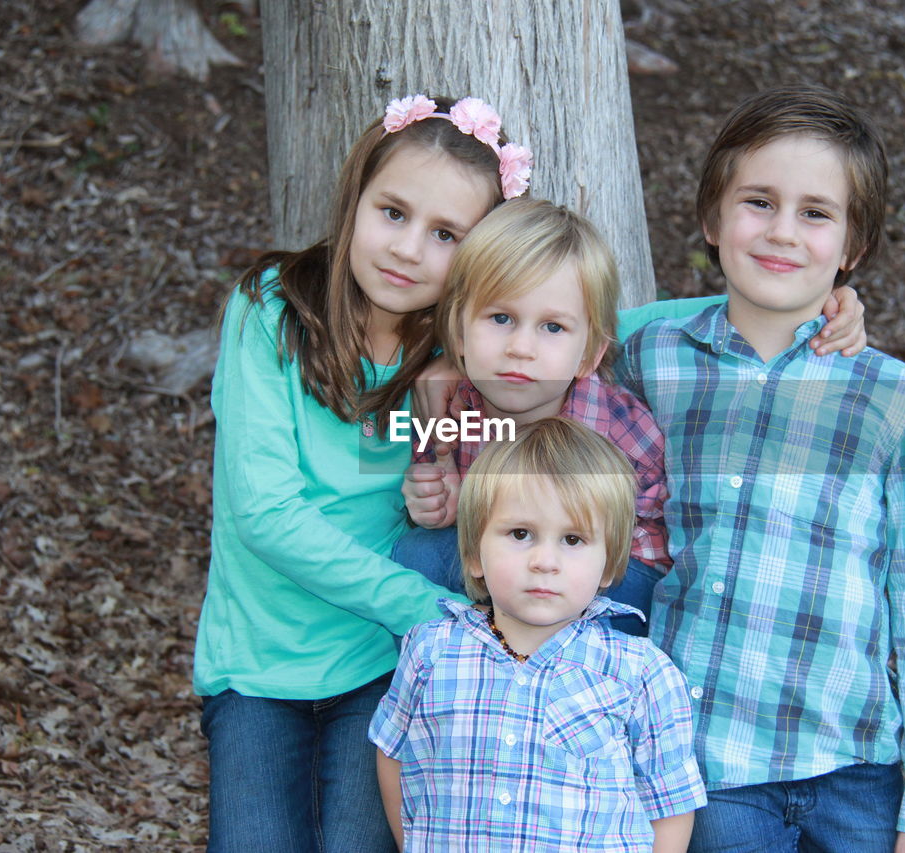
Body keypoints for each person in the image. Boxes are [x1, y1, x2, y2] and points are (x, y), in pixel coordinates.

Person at [617, 85, 905, 852]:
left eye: (816, 213)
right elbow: (552, 334)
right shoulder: (652, 360)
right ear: (713, 218)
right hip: (712, 770)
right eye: (758, 202)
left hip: (857, 770)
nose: (782, 231)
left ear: (853, 246)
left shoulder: (899, 398)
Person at [193, 94, 535, 852]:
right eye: (393, 212)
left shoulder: (461, 353)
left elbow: (599, 323)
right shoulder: (270, 312)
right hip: (258, 667)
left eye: (445, 234)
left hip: (382, 666)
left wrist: (815, 303)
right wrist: (426, 608)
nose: (409, 248)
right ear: (356, 199)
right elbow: (267, 515)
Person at [369, 417, 708, 852]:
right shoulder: (431, 651)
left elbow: (670, 804)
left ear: (608, 565)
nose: (544, 561)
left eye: (572, 539)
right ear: (474, 554)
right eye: (521, 534)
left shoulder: (642, 673)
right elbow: (394, 752)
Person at [393, 198, 671, 636]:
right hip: (504, 560)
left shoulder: (621, 429)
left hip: (607, 574)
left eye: (552, 327)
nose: (521, 347)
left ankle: (566, 685)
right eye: (501, 318)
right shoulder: (453, 406)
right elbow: (436, 488)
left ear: (591, 354)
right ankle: (460, 676)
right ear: (460, 332)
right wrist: (435, 503)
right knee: (420, 552)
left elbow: (655, 527)